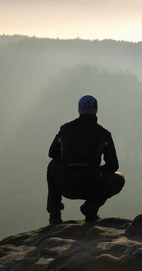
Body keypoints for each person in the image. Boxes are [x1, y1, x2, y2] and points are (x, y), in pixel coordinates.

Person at [46, 95, 125, 224]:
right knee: (119, 179)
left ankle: (55, 215)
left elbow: (52, 153)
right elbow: (113, 166)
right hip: (92, 187)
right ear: (96, 109)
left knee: (52, 165)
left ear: (79, 109)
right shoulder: (103, 134)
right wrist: (96, 170)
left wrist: (69, 161)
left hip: (66, 186)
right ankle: (91, 207)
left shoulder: (66, 129)